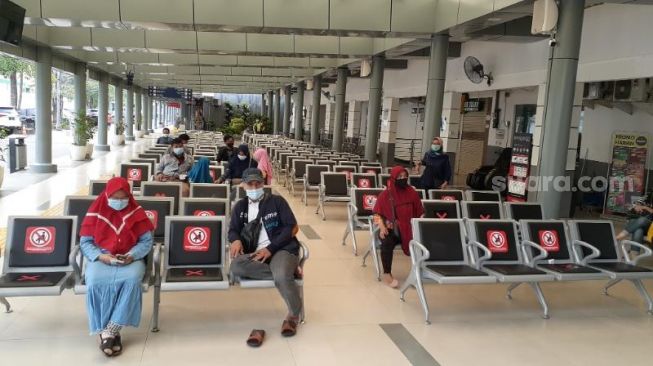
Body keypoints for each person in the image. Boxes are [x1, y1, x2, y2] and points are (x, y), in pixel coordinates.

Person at [79, 177, 154, 357]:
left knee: (131, 280)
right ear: (107, 195)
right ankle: (112, 332)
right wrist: (100, 256)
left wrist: (132, 255)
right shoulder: (96, 212)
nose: (119, 202)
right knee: (95, 280)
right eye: (115, 197)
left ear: (129, 196)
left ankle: (108, 330)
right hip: (102, 256)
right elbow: (85, 242)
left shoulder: (136, 212)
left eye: (123, 198)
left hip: (130, 257)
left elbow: (146, 242)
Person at [229, 168, 302, 346]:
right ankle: (286, 273)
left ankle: (293, 315)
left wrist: (270, 248)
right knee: (236, 267)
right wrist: (235, 240)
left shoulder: (276, 201)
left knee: (281, 273)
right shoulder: (240, 207)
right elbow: (233, 230)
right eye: (250, 184)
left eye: (258, 183)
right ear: (244, 185)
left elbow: (290, 227)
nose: (254, 187)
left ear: (263, 184)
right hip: (255, 252)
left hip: (281, 248)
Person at [373, 166, 424, 288]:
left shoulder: (411, 192)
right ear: (394, 178)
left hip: (410, 228)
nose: (403, 178)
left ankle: (418, 273)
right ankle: (387, 273)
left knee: (424, 240)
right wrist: (382, 227)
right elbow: (376, 214)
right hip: (393, 229)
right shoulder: (386, 194)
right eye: (400, 177)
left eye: (405, 176)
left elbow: (420, 212)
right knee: (386, 242)